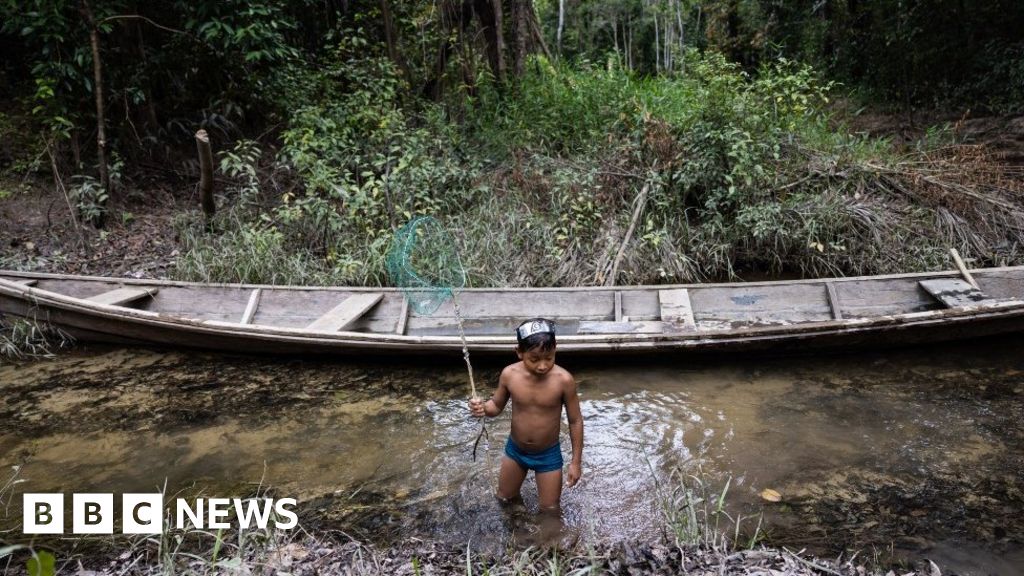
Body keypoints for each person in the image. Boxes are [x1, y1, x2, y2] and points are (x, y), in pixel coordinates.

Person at [469, 318, 583, 510]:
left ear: (555, 349)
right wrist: (482, 408)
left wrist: (576, 462)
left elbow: (575, 421)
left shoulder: (564, 380)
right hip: (516, 452)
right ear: (519, 352)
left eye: (549, 358)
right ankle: (518, 533)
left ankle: (546, 540)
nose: (542, 366)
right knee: (505, 499)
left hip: (548, 456)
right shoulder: (509, 375)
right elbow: (495, 406)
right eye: (534, 359)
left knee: (550, 510)